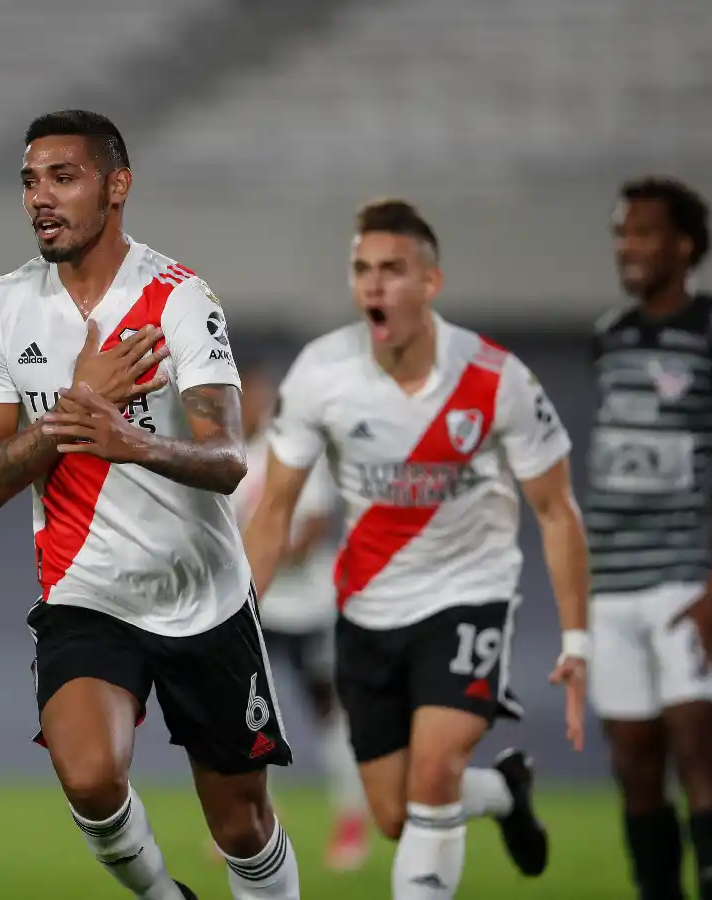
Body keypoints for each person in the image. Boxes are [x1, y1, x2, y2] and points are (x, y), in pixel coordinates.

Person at [0, 109, 300, 900]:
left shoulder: (178, 298)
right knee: (87, 776)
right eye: (30, 181)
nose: (41, 198)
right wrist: (75, 407)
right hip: (88, 592)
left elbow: (226, 458)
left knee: (242, 828)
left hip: (203, 596)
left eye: (63, 177)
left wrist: (132, 441)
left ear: (117, 187)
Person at [242, 199, 590, 900]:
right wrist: (235, 622)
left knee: (433, 777)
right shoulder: (322, 372)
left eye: (392, 270)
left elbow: (556, 510)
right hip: (368, 614)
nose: (373, 285)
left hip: (469, 599)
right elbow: (273, 507)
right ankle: (505, 792)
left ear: (430, 283)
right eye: (362, 269)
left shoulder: (496, 378)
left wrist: (577, 639)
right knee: (396, 813)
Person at [587, 176, 712, 900]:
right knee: (634, 759)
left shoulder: (710, 330)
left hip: (684, 577)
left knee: (699, 746)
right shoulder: (610, 334)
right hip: (614, 583)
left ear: (684, 244)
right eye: (620, 234)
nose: (626, 248)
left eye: (641, 233)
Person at [232, 360, 369, 872]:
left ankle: (351, 821)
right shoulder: (225, 457)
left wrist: (255, 554)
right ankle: (255, 823)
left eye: (252, 395)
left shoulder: (289, 452)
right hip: (255, 609)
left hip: (309, 607)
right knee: (247, 719)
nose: (246, 405)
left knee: (329, 713)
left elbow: (312, 528)